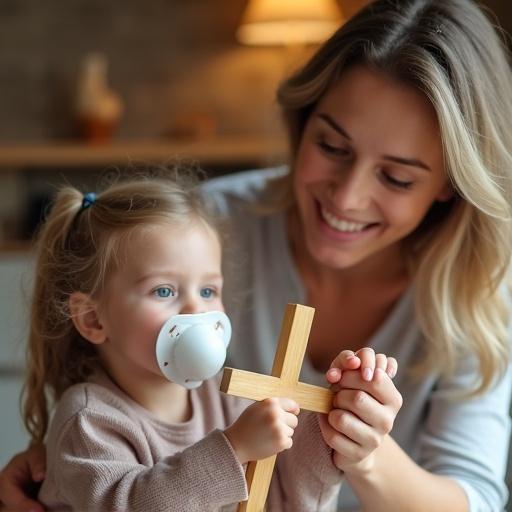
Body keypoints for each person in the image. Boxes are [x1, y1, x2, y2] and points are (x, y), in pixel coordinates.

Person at [1, 0, 512, 510]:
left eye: (397, 177)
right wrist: (53, 466)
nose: (347, 197)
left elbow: (285, 487)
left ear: (451, 184)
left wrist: (344, 442)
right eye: (332, 147)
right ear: (302, 123)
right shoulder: (201, 228)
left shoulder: (482, 288)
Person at [10, 173, 351, 512]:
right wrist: (232, 450)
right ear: (93, 320)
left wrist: (327, 435)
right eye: (164, 291)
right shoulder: (89, 422)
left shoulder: (223, 401)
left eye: (208, 291)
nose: (195, 310)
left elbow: (279, 500)